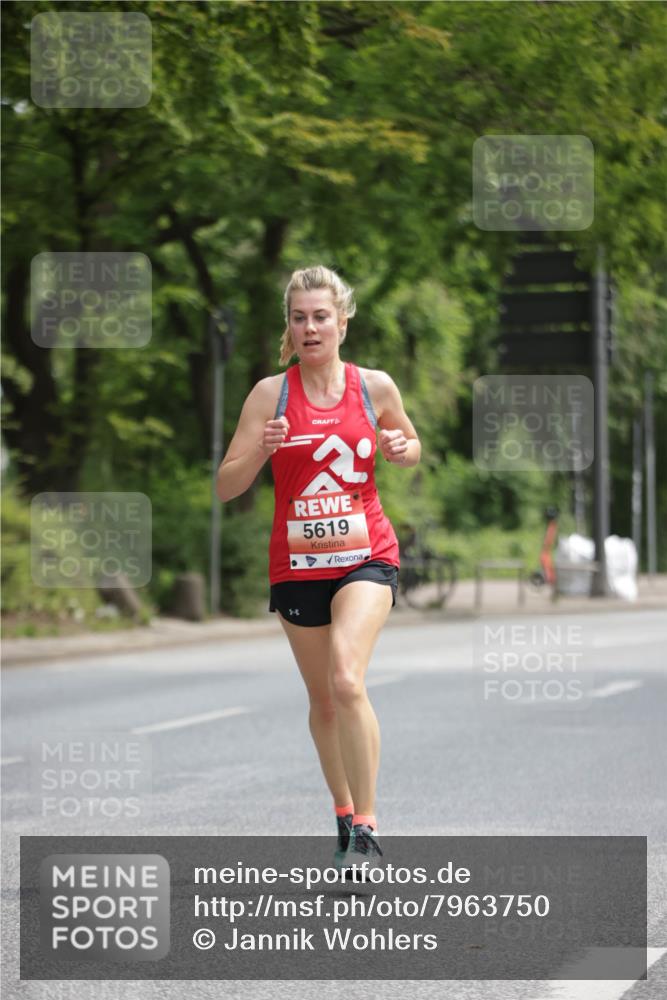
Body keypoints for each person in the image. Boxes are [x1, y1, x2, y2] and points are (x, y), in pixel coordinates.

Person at [217, 265, 420, 872]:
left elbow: (410, 447)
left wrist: (403, 448)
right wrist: (263, 448)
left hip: (366, 555)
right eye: (300, 318)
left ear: (342, 321)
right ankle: (341, 809)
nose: (311, 327)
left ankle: (366, 825)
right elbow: (228, 486)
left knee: (346, 680)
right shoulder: (269, 395)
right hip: (298, 565)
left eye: (321, 316)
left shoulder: (374, 388)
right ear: (291, 326)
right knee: (323, 702)